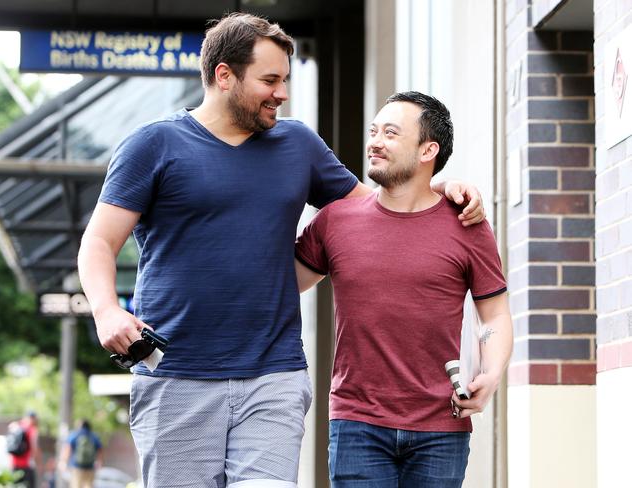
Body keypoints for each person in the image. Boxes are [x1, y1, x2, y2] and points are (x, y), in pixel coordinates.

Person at [77, 13, 485, 488]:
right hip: (177, 375)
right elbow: (100, 241)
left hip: (274, 374)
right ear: (224, 76)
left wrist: (439, 188)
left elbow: (376, 213)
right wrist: (106, 311)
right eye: (269, 80)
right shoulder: (154, 145)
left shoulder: (297, 144)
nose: (283, 93)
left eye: (286, 79)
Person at [295, 91, 514, 488]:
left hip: (441, 426)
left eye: (391, 133)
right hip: (357, 423)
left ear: (428, 149)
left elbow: (494, 314)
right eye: (374, 131)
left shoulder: (467, 223)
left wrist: (492, 373)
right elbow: (282, 285)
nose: (375, 141)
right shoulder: (335, 221)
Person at [59, 419, 103, 488]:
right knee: (89, 486)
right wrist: (99, 462)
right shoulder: (94, 436)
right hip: (90, 467)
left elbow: (68, 448)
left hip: (76, 467)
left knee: (76, 486)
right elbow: (100, 450)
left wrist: (63, 462)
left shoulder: (75, 435)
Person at [7, 411, 41, 488]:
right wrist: (38, 464)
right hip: (27, 465)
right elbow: (34, 448)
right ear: (33, 418)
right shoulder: (32, 429)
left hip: (14, 465)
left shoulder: (15, 426)